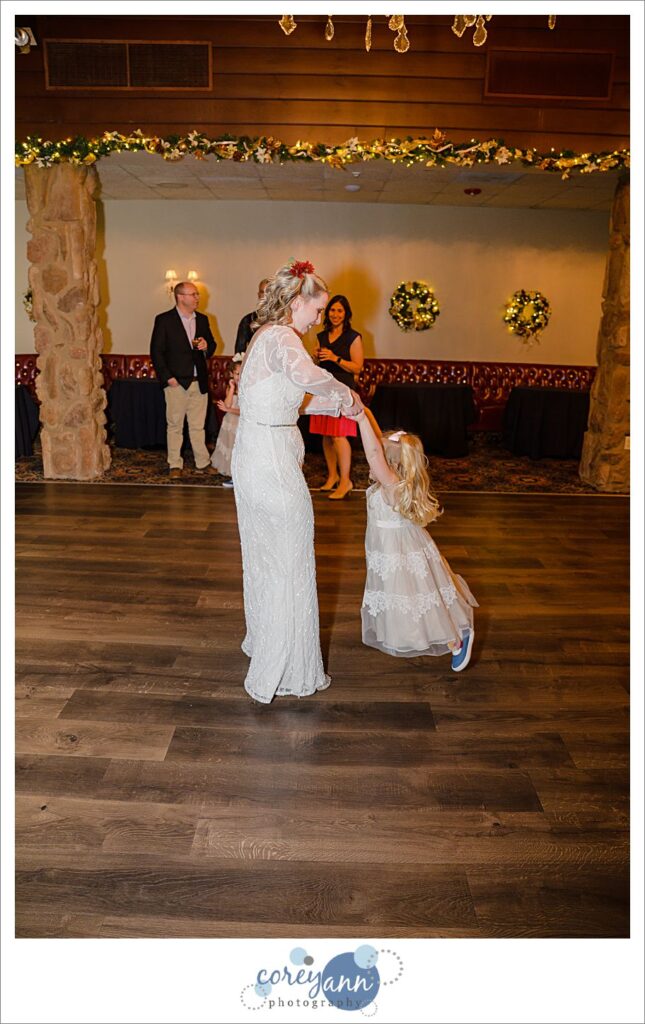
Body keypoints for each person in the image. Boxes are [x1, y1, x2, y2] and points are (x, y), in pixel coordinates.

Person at [232, 259, 362, 703]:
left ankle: (267, 639)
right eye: (318, 309)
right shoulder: (285, 337)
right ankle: (284, 664)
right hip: (270, 461)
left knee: (266, 555)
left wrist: (330, 407)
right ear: (296, 302)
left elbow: (287, 402)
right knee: (290, 552)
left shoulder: (264, 337)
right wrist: (346, 394)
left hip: (258, 450)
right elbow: (307, 378)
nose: (319, 318)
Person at [349, 406, 477, 670]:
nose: (370, 461)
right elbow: (375, 443)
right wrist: (362, 410)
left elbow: (373, 452)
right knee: (421, 597)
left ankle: (456, 640)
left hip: (399, 555)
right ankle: (455, 630)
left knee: (416, 600)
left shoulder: (392, 485)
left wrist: (360, 418)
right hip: (393, 551)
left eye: (378, 459)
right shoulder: (393, 482)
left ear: (390, 464)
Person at [150, 281, 216, 478]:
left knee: (198, 426)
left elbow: (211, 346)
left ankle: (203, 463)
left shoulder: (203, 319)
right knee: (175, 426)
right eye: (193, 294)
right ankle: (174, 465)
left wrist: (206, 346)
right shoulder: (164, 320)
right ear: (180, 297)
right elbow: (156, 352)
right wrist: (168, 377)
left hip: (199, 381)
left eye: (197, 294)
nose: (197, 298)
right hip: (176, 383)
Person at [310, 294, 365, 500]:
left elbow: (357, 367)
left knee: (338, 435)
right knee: (326, 434)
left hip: (343, 389)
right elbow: (318, 365)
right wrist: (316, 358)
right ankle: (332, 476)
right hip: (324, 387)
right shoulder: (321, 336)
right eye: (332, 310)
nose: (335, 314)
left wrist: (335, 357)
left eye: (340, 310)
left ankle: (345, 481)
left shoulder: (353, 337)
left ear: (346, 313)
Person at [211, 358, 241, 486]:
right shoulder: (231, 387)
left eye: (242, 373)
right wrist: (232, 387)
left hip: (241, 423)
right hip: (230, 423)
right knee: (230, 447)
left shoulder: (248, 389)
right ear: (231, 374)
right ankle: (232, 475)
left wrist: (228, 409)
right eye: (237, 374)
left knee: (238, 449)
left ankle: (239, 476)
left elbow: (244, 411)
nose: (239, 377)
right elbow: (228, 403)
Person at [234, 278, 270, 354]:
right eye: (262, 292)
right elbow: (239, 353)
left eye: (269, 292)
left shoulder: (282, 320)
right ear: (258, 295)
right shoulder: (248, 320)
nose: (265, 296)